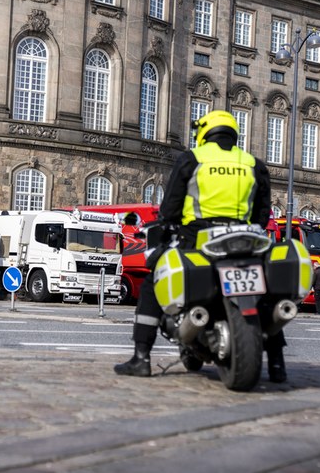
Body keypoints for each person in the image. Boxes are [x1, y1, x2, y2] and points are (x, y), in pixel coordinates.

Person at [114, 110, 289, 383]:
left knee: (152, 284)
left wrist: (167, 224)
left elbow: (171, 204)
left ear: (205, 132)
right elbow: (262, 213)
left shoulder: (193, 159)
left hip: (199, 238)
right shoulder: (253, 163)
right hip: (245, 239)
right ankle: (277, 364)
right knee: (263, 294)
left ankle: (141, 358)